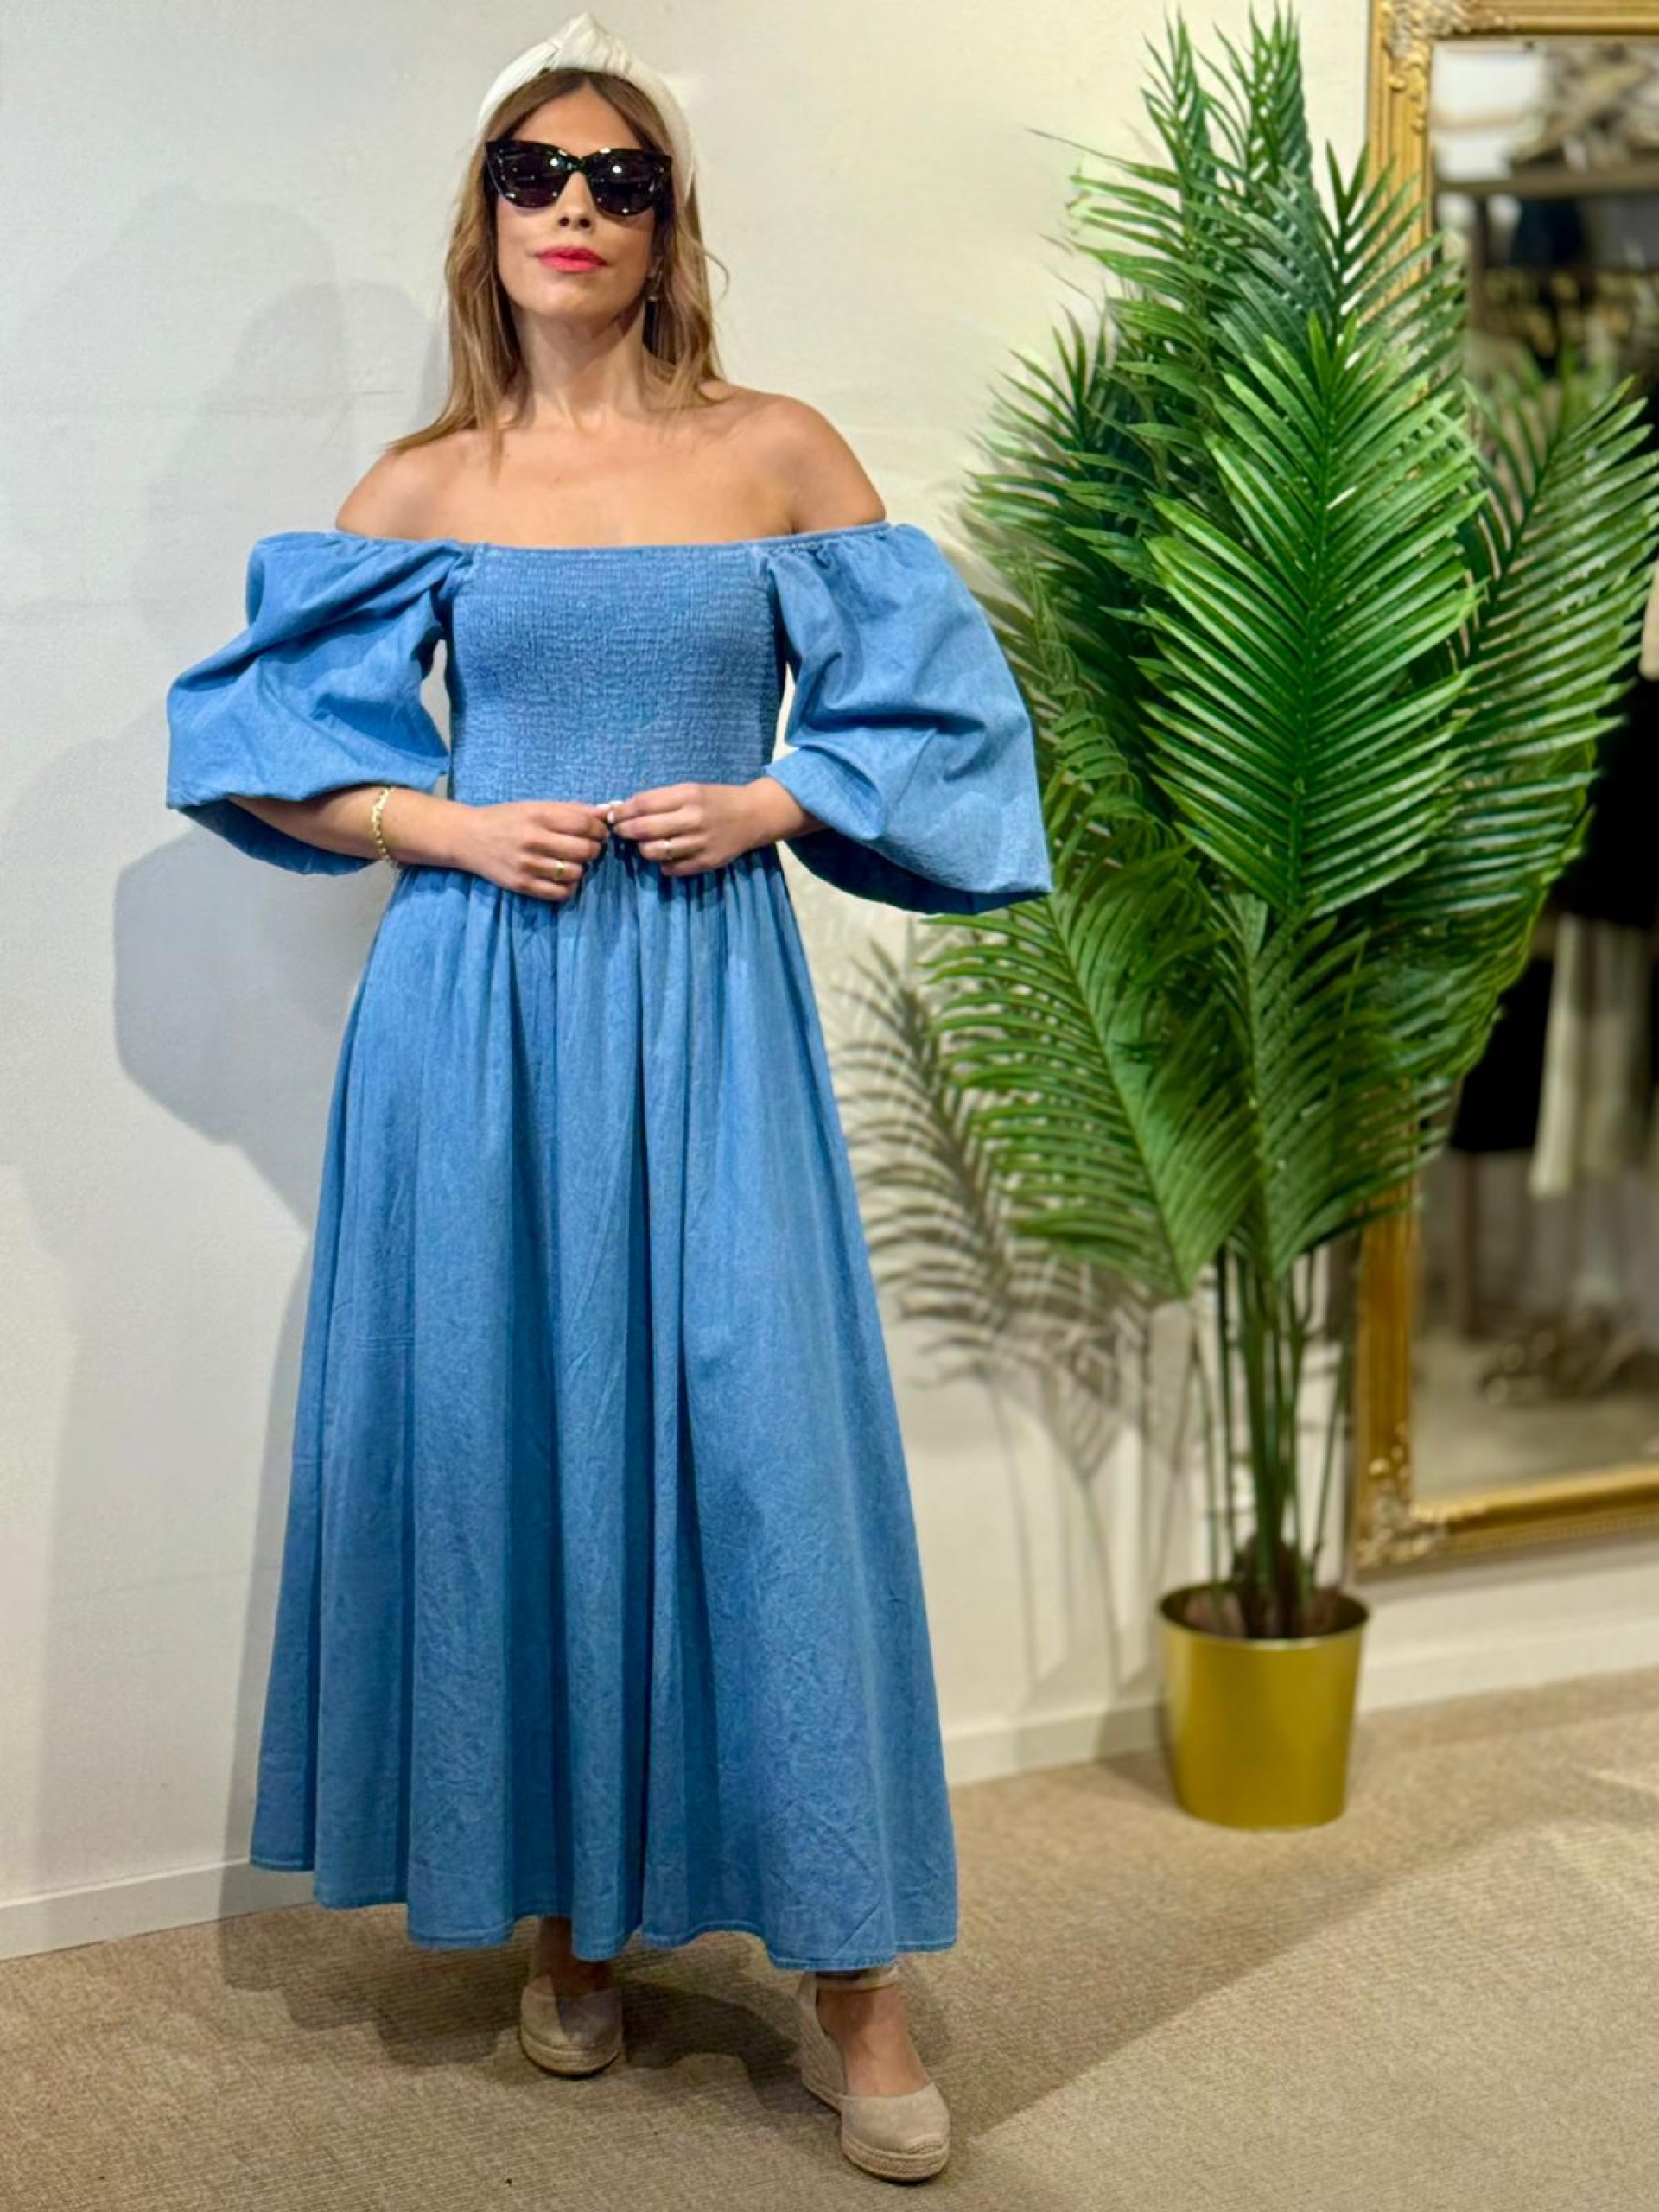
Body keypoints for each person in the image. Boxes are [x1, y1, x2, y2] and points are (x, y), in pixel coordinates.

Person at [164, 14, 1052, 2187]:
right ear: (484, 218)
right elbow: (250, 745)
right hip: (475, 1018)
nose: (576, 205)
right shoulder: (423, 488)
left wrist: (776, 794)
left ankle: (857, 1980)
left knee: (765, 1454)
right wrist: (442, 822)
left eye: (620, 178)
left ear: (669, 226)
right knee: (517, 1435)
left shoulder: (776, 452)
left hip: (708, 1003)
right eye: (536, 173)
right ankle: (563, 1917)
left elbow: (945, 723)